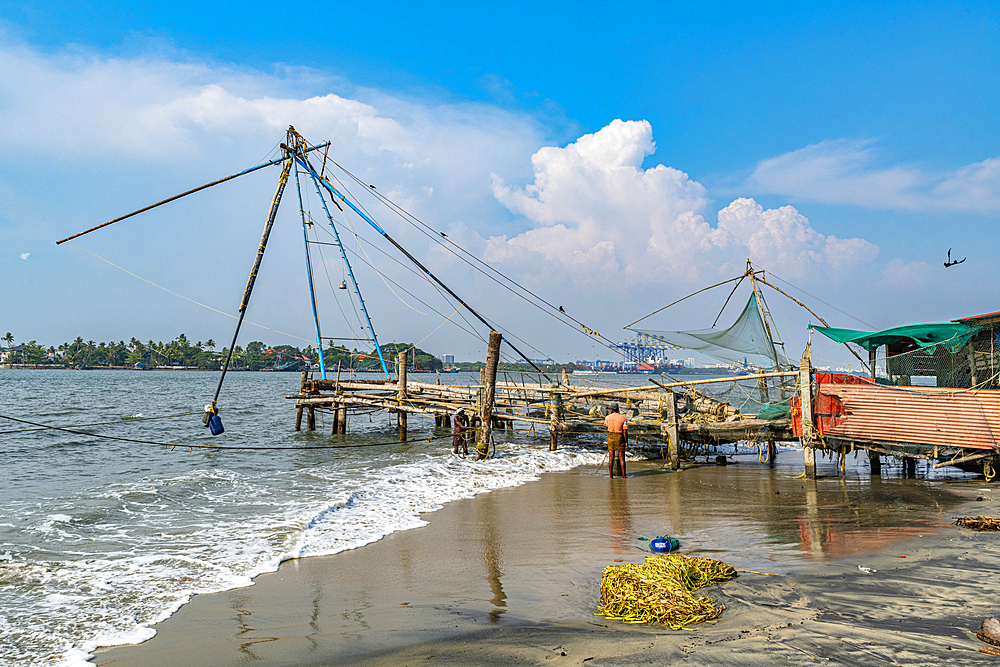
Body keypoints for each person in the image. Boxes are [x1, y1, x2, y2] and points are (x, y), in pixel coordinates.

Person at [604, 403, 628, 478]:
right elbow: (625, 431)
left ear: (612, 409)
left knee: (611, 457)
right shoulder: (623, 418)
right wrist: (626, 442)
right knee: (622, 458)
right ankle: (624, 476)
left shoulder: (607, 417)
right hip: (619, 437)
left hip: (611, 437)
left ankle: (611, 476)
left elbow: (607, 427)